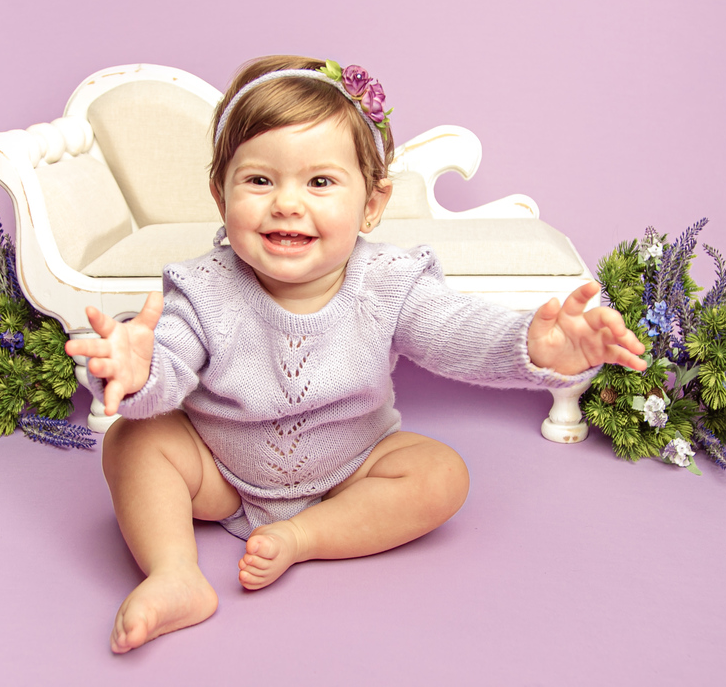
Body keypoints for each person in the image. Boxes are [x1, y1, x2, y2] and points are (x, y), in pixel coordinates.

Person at [65, 55, 647, 654]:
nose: (286, 203)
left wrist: (532, 344)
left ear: (372, 202)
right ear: (220, 195)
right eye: (259, 181)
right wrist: (139, 370)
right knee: (133, 442)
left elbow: (455, 330)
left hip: (352, 470)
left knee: (441, 474)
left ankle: (306, 536)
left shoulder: (389, 280)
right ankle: (174, 573)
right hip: (220, 474)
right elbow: (170, 358)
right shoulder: (203, 288)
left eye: (320, 182)